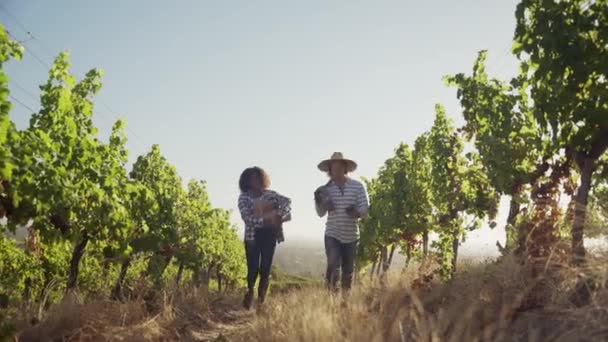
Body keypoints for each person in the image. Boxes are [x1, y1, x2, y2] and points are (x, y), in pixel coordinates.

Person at [315, 152, 369, 295]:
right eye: (334, 167)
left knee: (348, 269)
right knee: (333, 265)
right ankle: (331, 297)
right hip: (332, 233)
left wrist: (356, 213)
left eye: (340, 167)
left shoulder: (357, 186)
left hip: (351, 235)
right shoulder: (323, 190)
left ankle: (345, 300)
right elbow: (320, 214)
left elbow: (365, 207)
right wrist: (324, 206)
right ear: (329, 170)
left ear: (345, 168)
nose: (336, 170)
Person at [238, 167, 291, 309]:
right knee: (253, 268)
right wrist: (267, 220)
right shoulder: (244, 198)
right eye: (252, 178)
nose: (255, 181)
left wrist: (279, 214)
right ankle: (249, 292)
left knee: (265, 268)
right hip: (253, 236)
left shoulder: (271, 194)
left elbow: (287, 203)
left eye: (258, 177)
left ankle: (261, 301)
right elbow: (247, 218)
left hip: (270, 235)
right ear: (246, 181)